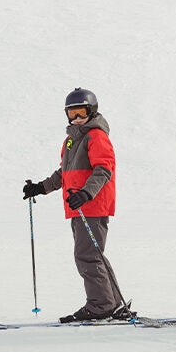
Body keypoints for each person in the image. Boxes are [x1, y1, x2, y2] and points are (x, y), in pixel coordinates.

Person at [22, 88, 134, 323]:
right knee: (93, 254)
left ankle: (100, 305)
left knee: (86, 255)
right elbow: (64, 173)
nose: (76, 118)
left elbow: (104, 169)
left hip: (92, 205)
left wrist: (86, 194)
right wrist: (41, 187)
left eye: (81, 112)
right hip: (79, 206)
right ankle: (111, 303)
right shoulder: (72, 140)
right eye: (71, 114)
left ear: (91, 111)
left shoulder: (96, 136)